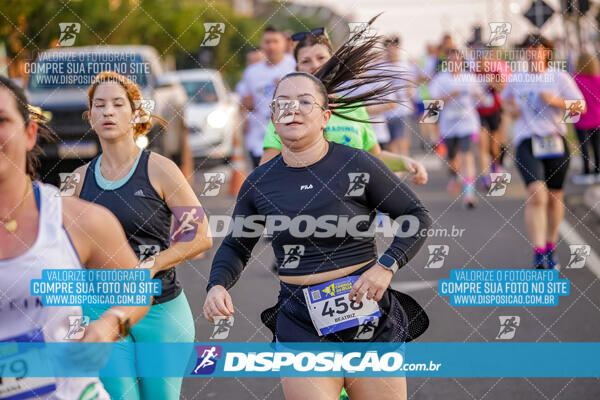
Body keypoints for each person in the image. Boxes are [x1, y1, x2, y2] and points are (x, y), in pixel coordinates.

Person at [204, 26, 432, 400]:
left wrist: (386, 265)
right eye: (282, 103)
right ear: (273, 119)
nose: (293, 109)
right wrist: (216, 285)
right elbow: (236, 244)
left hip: (367, 312)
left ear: (326, 116)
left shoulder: (357, 163)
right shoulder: (260, 183)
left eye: (305, 102)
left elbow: (415, 216)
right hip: (300, 320)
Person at [0, 75, 149, 399]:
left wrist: (111, 324)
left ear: (29, 133)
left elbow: (137, 290)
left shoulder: (77, 220)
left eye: (1, 120)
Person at [71, 71, 213, 399]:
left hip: (160, 309)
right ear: (90, 116)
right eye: (99, 105)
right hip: (101, 309)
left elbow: (201, 236)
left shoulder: (160, 169)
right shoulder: (77, 180)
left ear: (135, 114)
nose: (108, 112)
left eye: (117, 104)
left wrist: (152, 264)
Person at [259, 27, 427, 184]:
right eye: (306, 61)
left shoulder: (354, 106)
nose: (315, 65)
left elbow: (375, 155)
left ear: (333, 62)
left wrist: (406, 162)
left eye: (321, 58)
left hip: (357, 206)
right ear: (297, 68)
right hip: (307, 208)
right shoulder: (287, 109)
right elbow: (266, 168)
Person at [501, 34, 585, 269]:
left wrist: (556, 101)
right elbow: (504, 99)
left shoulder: (559, 76)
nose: (532, 52)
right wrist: (512, 109)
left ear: (547, 52)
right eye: (529, 49)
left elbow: (581, 105)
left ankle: (550, 246)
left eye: (537, 49)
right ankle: (539, 253)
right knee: (537, 193)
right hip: (527, 142)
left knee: (555, 196)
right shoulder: (517, 77)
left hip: (555, 141)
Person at [428, 48, 486, 208]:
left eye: (457, 61)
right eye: (451, 61)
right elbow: (433, 103)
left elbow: (482, 98)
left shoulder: (469, 77)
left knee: (467, 156)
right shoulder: (441, 79)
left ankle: (469, 195)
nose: (455, 64)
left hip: (468, 124)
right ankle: (455, 177)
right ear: (447, 62)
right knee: (453, 161)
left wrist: (479, 96)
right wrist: (450, 95)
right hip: (448, 125)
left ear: (462, 62)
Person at [237, 26, 296, 167]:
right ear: (261, 44)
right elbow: (244, 103)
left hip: (288, 140)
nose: (271, 46)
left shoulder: (294, 65)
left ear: (283, 43)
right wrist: (244, 111)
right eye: (267, 42)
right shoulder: (252, 72)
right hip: (259, 140)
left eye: (275, 41)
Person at [382, 35, 416, 156]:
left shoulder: (406, 67)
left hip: (403, 110)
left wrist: (410, 91)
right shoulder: (380, 67)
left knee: (401, 140)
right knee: (390, 143)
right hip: (385, 111)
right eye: (388, 49)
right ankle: (396, 170)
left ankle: (405, 167)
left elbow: (412, 87)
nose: (391, 52)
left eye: (394, 48)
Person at [572, 52, 600, 184]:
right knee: (597, 146)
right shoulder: (598, 80)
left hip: (580, 120)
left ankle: (586, 172)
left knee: (584, 147)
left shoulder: (575, 80)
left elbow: (570, 98)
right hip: (597, 119)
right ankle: (597, 171)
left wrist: (570, 119)